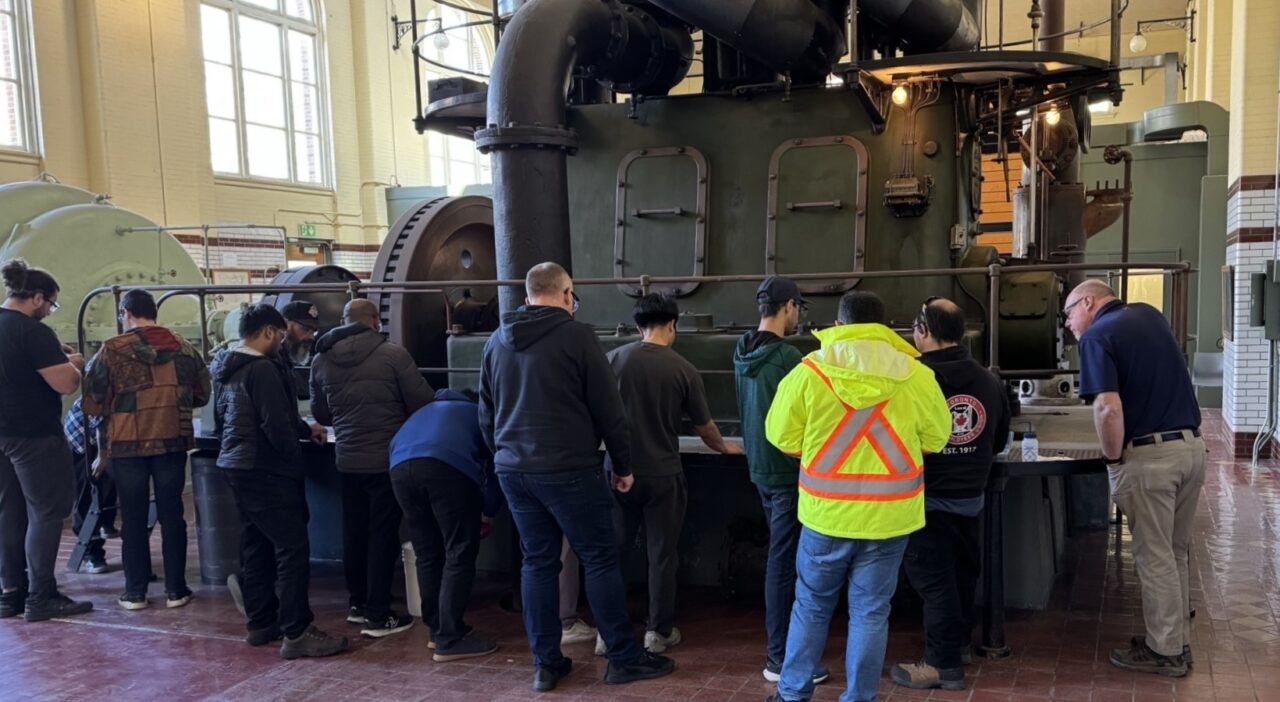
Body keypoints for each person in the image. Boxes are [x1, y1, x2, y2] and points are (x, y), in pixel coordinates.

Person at [479, 262, 675, 692]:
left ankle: (546, 664)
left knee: (538, 562)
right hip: (568, 467)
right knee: (599, 558)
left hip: (514, 471)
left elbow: (486, 414)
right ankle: (623, 658)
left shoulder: (496, 341)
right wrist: (623, 467)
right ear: (567, 294)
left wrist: (506, 458)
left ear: (529, 295)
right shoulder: (578, 337)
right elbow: (610, 411)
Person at [764, 290, 951, 702]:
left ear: (838, 325)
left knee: (811, 606)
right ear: (885, 329)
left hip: (825, 516)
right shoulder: (917, 375)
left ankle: (792, 693)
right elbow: (937, 438)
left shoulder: (809, 371)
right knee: (870, 612)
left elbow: (779, 435)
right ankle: (860, 697)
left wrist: (817, 454)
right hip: (890, 518)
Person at [1065, 279, 1203, 677]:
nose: (1069, 324)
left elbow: (1108, 409)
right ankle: (1176, 641)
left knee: (1154, 555)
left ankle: (1165, 654)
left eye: (1069, 313)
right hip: (1191, 449)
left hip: (1151, 459)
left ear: (1088, 302)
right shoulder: (1150, 315)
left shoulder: (1096, 338)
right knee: (1174, 553)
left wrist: (1112, 461)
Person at [602, 293, 742, 655]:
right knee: (661, 554)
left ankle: (608, 632)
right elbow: (705, 427)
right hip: (663, 474)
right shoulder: (683, 369)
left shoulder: (612, 361)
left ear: (637, 327)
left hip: (618, 471)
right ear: (672, 325)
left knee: (614, 551)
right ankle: (658, 632)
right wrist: (724, 448)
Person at [212, 303, 345, 659]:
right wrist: (294, 458)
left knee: (255, 544)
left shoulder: (227, 368)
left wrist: (306, 427)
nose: (282, 341)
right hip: (267, 468)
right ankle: (297, 631)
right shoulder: (263, 370)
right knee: (292, 549)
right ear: (269, 332)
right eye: (281, 335)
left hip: (236, 465)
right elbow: (276, 423)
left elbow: (231, 420)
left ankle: (260, 623)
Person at [891, 297, 1010, 691]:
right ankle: (956, 644)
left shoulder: (913, 379)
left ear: (923, 331)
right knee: (961, 573)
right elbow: (998, 440)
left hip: (926, 497)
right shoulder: (989, 380)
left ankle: (942, 666)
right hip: (970, 496)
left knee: (933, 582)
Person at [310, 298, 434, 638]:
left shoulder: (321, 359)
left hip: (347, 460)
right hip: (386, 458)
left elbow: (321, 415)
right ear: (375, 322)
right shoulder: (393, 355)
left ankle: (358, 604)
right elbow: (422, 401)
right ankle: (379, 615)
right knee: (383, 534)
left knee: (355, 532)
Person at [82, 289, 212, 611]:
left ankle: (135, 592)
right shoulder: (184, 347)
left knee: (134, 518)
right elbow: (202, 395)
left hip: (127, 445)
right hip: (172, 440)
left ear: (125, 312)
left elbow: (94, 403)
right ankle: (176, 590)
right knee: (173, 515)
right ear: (154, 311)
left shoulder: (111, 350)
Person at [734, 276, 829, 685]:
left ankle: (781, 651)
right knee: (785, 563)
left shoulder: (742, 350)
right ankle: (780, 657)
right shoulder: (790, 357)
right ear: (789, 306)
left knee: (780, 557)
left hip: (759, 467)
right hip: (789, 470)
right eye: (798, 309)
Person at [0, 259, 93, 622]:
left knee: (10, 511)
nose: (49, 312)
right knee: (47, 512)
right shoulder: (31, 331)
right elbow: (66, 384)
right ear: (36, 297)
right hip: (33, 435)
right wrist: (76, 363)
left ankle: (11, 593)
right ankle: (41, 595)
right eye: (51, 304)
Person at [389, 387, 502, 661]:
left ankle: (437, 629)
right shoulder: (477, 413)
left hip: (399, 468)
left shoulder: (424, 410)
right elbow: (496, 465)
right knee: (460, 549)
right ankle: (449, 640)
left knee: (427, 552)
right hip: (446, 466)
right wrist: (487, 510)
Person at [64, 398, 113, 574]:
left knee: (109, 487)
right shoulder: (102, 372)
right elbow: (101, 420)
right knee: (86, 496)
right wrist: (102, 454)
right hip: (80, 441)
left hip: (105, 439)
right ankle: (92, 554)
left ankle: (106, 523)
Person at [277, 300, 319, 400]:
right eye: (305, 329)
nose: (311, 337)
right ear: (285, 324)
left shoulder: (286, 359)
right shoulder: (272, 362)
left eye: (314, 331)